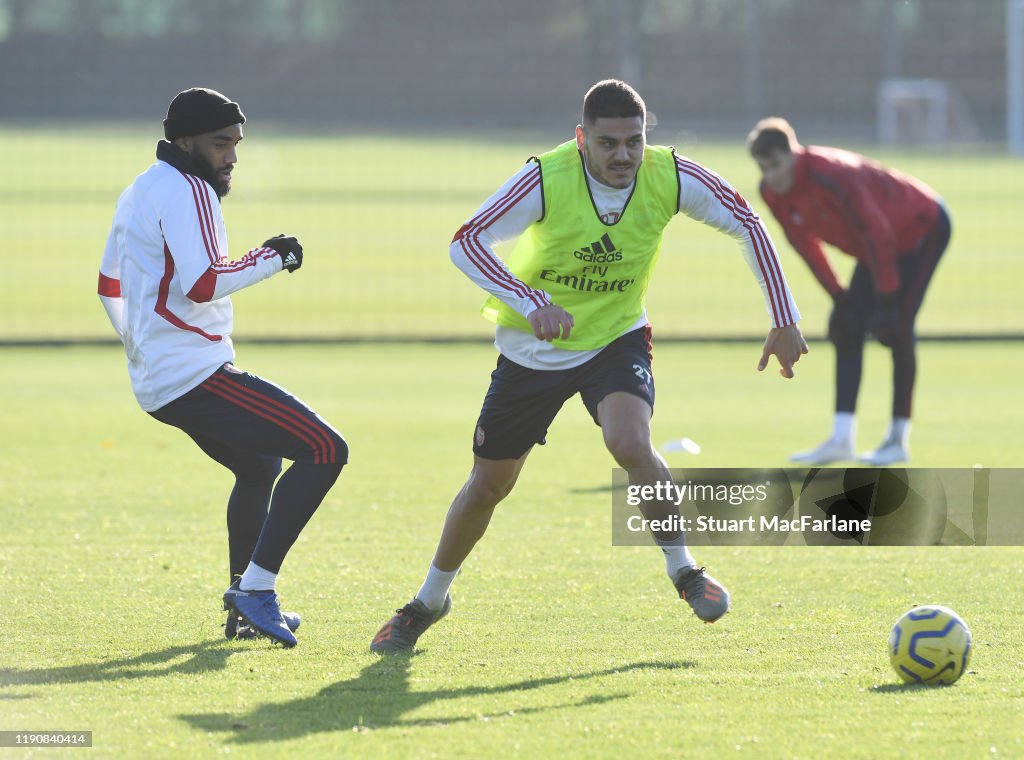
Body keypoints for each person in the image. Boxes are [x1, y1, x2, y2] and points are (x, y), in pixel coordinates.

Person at [369, 80, 807, 654]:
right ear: (581, 139)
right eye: (607, 143)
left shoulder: (669, 175)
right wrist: (531, 303)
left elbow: (747, 222)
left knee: (629, 441)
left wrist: (783, 315)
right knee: (487, 487)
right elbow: (466, 241)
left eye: (633, 140)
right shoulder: (546, 178)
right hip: (532, 352)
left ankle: (685, 570)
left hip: (614, 339)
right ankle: (428, 601)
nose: (622, 155)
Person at [97, 87, 347, 648]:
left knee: (260, 468)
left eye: (236, 143)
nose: (232, 155)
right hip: (195, 375)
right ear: (184, 141)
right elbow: (205, 280)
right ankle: (256, 591)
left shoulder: (141, 187)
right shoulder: (190, 189)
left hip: (162, 378)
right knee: (327, 449)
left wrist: (141, 349)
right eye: (220, 143)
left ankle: (243, 609)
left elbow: (108, 286)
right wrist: (272, 256)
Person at [747, 117, 951, 466]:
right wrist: (839, 296)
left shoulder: (832, 175)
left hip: (921, 227)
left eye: (777, 165)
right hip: (875, 248)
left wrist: (887, 300)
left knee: (897, 328)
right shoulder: (770, 193)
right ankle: (842, 439)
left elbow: (879, 233)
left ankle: (897, 440)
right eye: (764, 168)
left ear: (793, 154)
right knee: (846, 326)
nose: (772, 175)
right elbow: (805, 245)